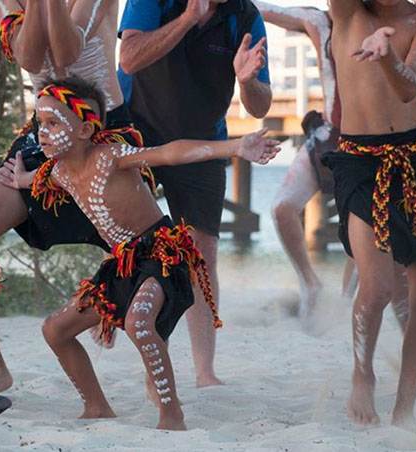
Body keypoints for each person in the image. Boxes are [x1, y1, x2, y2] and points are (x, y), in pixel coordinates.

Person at [0, 77, 280, 430]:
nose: (43, 132)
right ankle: (97, 406)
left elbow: (169, 153)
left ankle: (171, 413)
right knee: (55, 330)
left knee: (138, 322)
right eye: (41, 123)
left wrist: (235, 147)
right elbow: (35, 179)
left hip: (161, 253)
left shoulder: (112, 157)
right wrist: (20, 178)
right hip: (121, 265)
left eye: (54, 123)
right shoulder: (59, 173)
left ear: (86, 129)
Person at [0, 0, 151, 394]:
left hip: (101, 136)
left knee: (144, 254)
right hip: (45, 139)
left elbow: (68, 50)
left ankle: (153, 366)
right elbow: (29, 56)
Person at [118, 0, 272, 388]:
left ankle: (205, 370)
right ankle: (147, 352)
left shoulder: (244, 14)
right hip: (137, 133)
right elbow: (129, 59)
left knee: (202, 253)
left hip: (204, 140)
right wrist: (187, 18)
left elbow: (260, 106)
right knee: (134, 247)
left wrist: (247, 80)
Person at [322, 0, 416, 431]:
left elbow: (410, 87)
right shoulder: (349, 13)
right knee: (376, 288)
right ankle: (363, 372)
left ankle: (405, 405)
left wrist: (388, 55)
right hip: (361, 161)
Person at [254, 1, 357, 321]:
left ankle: (345, 302)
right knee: (282, 208)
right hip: (327, 134)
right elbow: (263, 9)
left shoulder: (383, 22)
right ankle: (310, 284)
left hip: (368, 140)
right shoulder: (319, 22)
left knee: (360, 228)